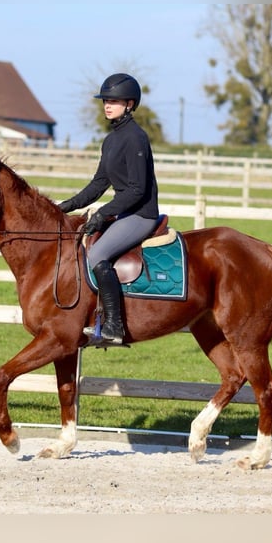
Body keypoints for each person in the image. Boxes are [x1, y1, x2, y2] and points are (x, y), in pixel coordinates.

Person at [58, 73, 159, 345]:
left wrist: (104, 213)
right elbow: (99, 183)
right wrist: (66, 206)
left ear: (129, 103)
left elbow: (137, 190)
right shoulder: (111, 140)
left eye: (113, 101)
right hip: (124, 212)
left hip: (141, 214)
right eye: (105, 100)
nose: (107, 105)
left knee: (98, 253)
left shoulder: (136, 138)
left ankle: (114, 326)